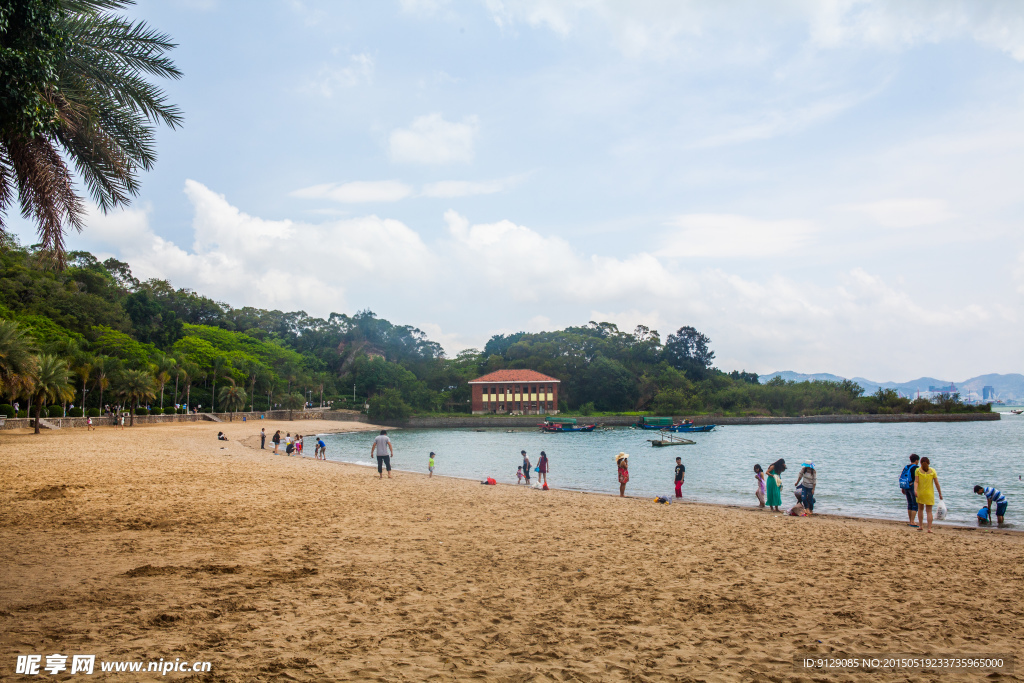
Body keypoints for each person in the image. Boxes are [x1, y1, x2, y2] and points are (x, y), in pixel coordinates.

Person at [914, 456, 943, 533]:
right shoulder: (933, 471)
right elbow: (937, 483)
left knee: (920, 509)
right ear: (929, 463)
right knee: (929, 511)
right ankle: (929, 528)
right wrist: (940, 493)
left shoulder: (918, 470)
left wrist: (915, 490)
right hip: (929, 493)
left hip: (921, 493)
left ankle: (920, 526)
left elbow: (916, 481)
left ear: (920, 463)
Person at [899, 454, 920, 527]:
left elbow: (902, 477)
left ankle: (910, 520)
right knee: (915, 504)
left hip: (906, 486)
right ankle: (912, 521)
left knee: (909, 503)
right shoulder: (916, 468)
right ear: (917, 460)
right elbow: (917, 479)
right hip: (913, 486)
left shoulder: (906, 467)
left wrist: (902, 488)